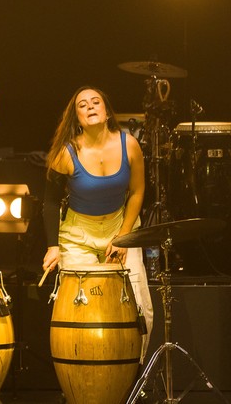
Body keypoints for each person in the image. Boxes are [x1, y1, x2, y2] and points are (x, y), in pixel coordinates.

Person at [40, 86, 154, 354]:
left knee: (140, 308)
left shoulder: (129, 144)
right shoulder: (66, 153)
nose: (90, 106)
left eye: (95, 102)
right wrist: (53, 246)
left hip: (120, 227)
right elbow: (51, 202)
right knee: (81, 310)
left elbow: (137, 191)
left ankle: (133, 372)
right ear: (77, 118)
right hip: (78, 235)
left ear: (107, 112)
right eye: (82, 105)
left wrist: (123, 237)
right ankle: (80, 373)